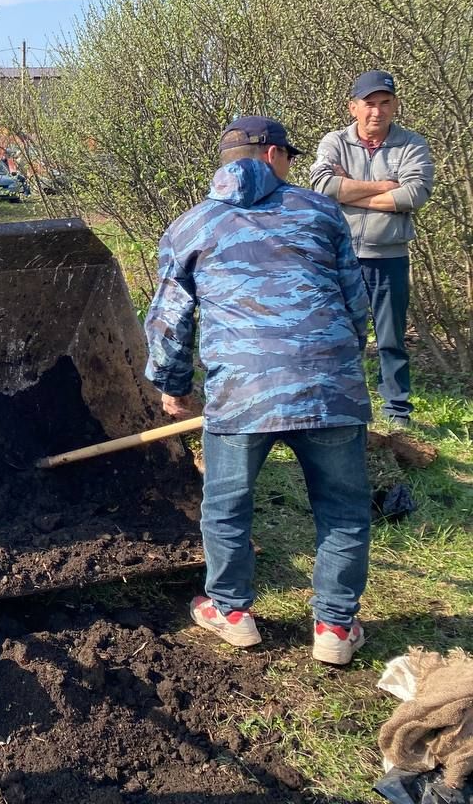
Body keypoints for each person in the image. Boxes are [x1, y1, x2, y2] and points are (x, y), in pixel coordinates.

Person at [145, 116, 373, 666]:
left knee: (226, 506)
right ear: (273, 154)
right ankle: (336, 629)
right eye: (289, 157)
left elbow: (169, 322)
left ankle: (231, 611)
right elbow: (355, 301)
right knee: (342, 508)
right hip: (329, 387)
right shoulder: (322, 213)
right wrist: (337, 360)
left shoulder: (191, 226)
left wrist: (173, 388)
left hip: (242, 394)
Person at [310, 70, 435, 427]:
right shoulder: (334, 141)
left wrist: (352, 192)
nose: (376, 112)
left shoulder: (412, 144)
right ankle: (341, 406)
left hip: (389, 256)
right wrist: (385, 188)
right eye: (369, 104)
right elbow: (322, 187)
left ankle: (396, 410)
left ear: (394, 106)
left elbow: (415, 194)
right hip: (340, 257)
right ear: (353, 107)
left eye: (385, 103)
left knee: (391, 339)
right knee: (340, 334)